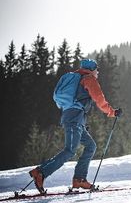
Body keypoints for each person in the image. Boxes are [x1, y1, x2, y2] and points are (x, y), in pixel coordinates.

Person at [29, 59, 122, 193]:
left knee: (90, 146)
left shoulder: (76, 78)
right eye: (97, 69)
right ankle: (41, 172)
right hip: (73, 119)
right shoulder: (88, 79)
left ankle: (79, 179)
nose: (98, 72)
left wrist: (82, 123)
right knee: (70, 151)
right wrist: (112, 112)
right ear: (92, 69)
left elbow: (79, 102)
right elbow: (99, 99)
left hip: (75, 119)